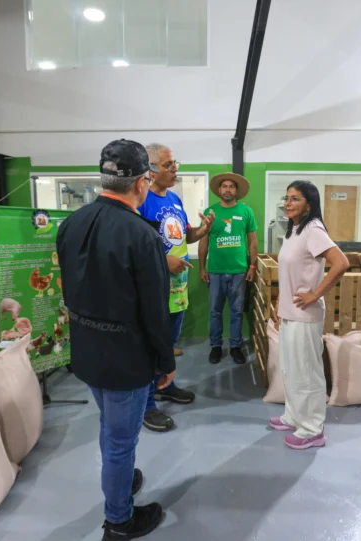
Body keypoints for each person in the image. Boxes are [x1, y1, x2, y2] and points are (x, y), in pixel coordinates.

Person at [56, 139, 175, 540]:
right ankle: (119, 521)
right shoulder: (142, 236)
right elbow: (156, 312)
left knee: (110, 426)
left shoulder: (71, 224)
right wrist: (166, 362)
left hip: (87, 353)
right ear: (142, 182)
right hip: (127, 359)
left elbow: (67, 288)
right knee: (120, 441)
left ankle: (119, 480)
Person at [136, 143, 215, 433]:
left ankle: (164, 385)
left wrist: (204, 229)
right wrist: (162, 260)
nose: (175, 169)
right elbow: (135, 249)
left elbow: (185, 236)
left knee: (167, 344)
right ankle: (146, 407)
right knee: (150, 347)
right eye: (168, 165)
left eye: (175, 163)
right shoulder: (141, 201)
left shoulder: (174, 199)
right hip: (154, 286)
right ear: (150, 170)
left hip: (178, 285)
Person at [270, 181, 350, 450]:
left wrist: (315, 294)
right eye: (287, 198)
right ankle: (294, 416)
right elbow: (290, 271)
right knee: (291, 370)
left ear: (310, 204)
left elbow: (341, 263)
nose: (288, 203)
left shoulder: (313, 229)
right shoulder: (294, 230)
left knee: (307, 373)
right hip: (290, 311)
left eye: (295, 199)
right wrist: (282, 299)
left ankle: (313, 429)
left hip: (306, 314)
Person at [198, 173, 259, 364]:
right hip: (215, 271)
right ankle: (216, 346)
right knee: (215, 311)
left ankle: (235, 347)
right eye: (224, 186)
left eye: (231, 187)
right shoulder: (210, 212)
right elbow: (204, 240)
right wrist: (202, 267)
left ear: (237, 191)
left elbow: (253, 241)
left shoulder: (246, 211)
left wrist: (252, 265)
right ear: (219, 190)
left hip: (239, 272)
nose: (227, 189)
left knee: (237, 311)